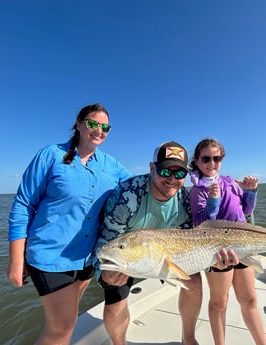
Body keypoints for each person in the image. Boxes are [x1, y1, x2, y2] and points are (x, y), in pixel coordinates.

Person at [7, 103, 132, 345]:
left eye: (105, 127)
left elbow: (141, 187)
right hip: (50, 256)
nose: (99, 130)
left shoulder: (111, 164)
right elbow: (23, 204)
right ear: (78, 124)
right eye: (93, 124)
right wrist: (16, 258)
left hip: (87, 258)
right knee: (62, 327)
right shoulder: (50, 154)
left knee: (67, 319)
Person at [93, 141, 221, 345]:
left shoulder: (185, 200)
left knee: (194, 281)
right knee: (115, 296)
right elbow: (106, 242)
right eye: (165, 171)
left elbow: (191, 242)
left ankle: (188, 338)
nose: (172, 179)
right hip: (130, 254)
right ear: (152, 168)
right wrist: (105, 275)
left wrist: (213, 262)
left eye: (179, 174)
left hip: (163, 253)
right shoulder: (127, 196)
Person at [189, 138, 266, 345]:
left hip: (243, 246)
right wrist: (213, 201)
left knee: (249, 300)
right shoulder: (197, 191)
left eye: (217, 158)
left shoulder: (230, 183)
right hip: (217, 251)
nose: (212, 163)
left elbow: (247, 210)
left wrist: (251, 191)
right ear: (197, 161)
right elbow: (200, 223)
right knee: (219, 302)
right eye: (206, 158)